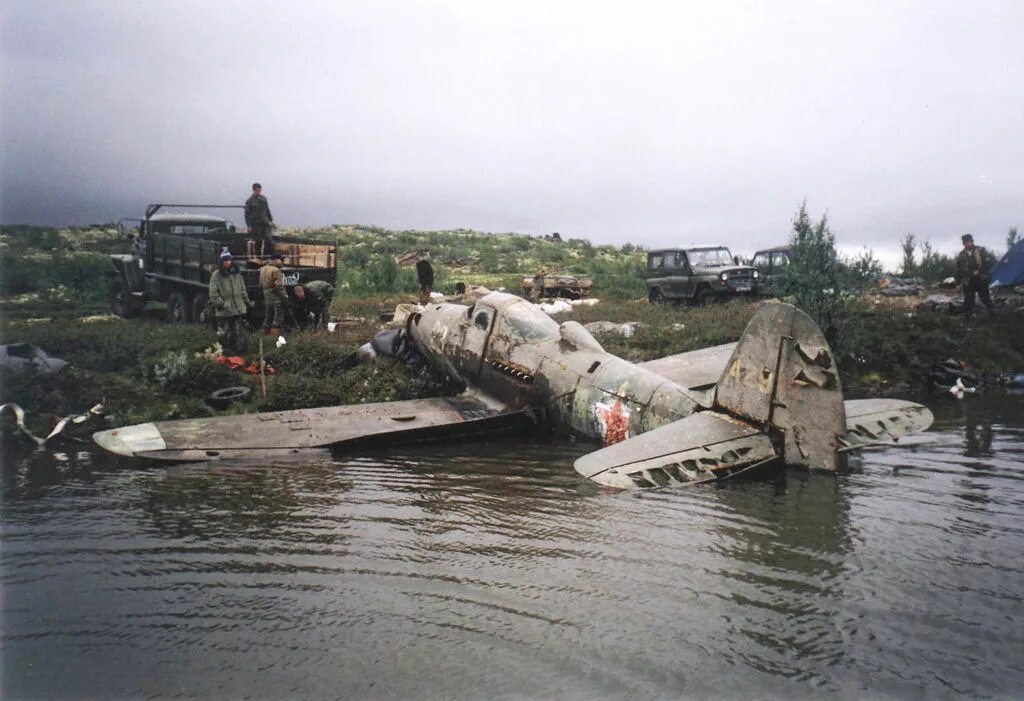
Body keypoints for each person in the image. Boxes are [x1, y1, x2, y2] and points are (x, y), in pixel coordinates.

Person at [209, 250, 251, 354]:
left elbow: (242, 289)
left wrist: (246, 302)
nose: (227, 262)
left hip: (238, 309)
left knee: (240, 331)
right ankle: (226, 352)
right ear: (221, 262)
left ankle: (240, 352)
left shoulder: (237, 274)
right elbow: (213, 294)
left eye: (228, 260)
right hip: (225, 311)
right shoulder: (216, 275)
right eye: (225, 260)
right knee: (224, 332)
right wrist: (222, 304)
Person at [955, 233, 995, 319]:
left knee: (985, 298)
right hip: (968, 281)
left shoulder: (980, 250)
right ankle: (969, 318)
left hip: (981, 279)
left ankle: (993, 314)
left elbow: (989, 263)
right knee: (969, 300)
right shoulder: (961, 255)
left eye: (969, 241)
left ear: (972, 242)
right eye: (965, 242)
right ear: (963, 243)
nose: (967, 243)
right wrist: (958, 283)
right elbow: (959, 270)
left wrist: (979, 271)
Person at [259, 251, 288, 337]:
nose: (282, 262)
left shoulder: (263, 269)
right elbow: (279, 286)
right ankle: (274, 338)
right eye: (281, 260)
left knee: (268, 317)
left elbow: (260, 283)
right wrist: (284, 297)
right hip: (276, 298)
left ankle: (264, 335)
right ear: (275, 260)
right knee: (277, 319)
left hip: (267, 297)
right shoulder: (276, 270)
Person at [244, 182, 274, 258]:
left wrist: (271, 220)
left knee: (269, 240)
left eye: (259, 190)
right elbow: (247, 215)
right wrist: (249, 226)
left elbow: (267, 209)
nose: (258, 192)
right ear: (253, 190)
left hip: (265, 222)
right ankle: (257, 258)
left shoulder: (263, 199)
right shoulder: (250, 201)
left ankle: (266, 257)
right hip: (255, 225)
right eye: (257, 190)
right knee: (258, 242)